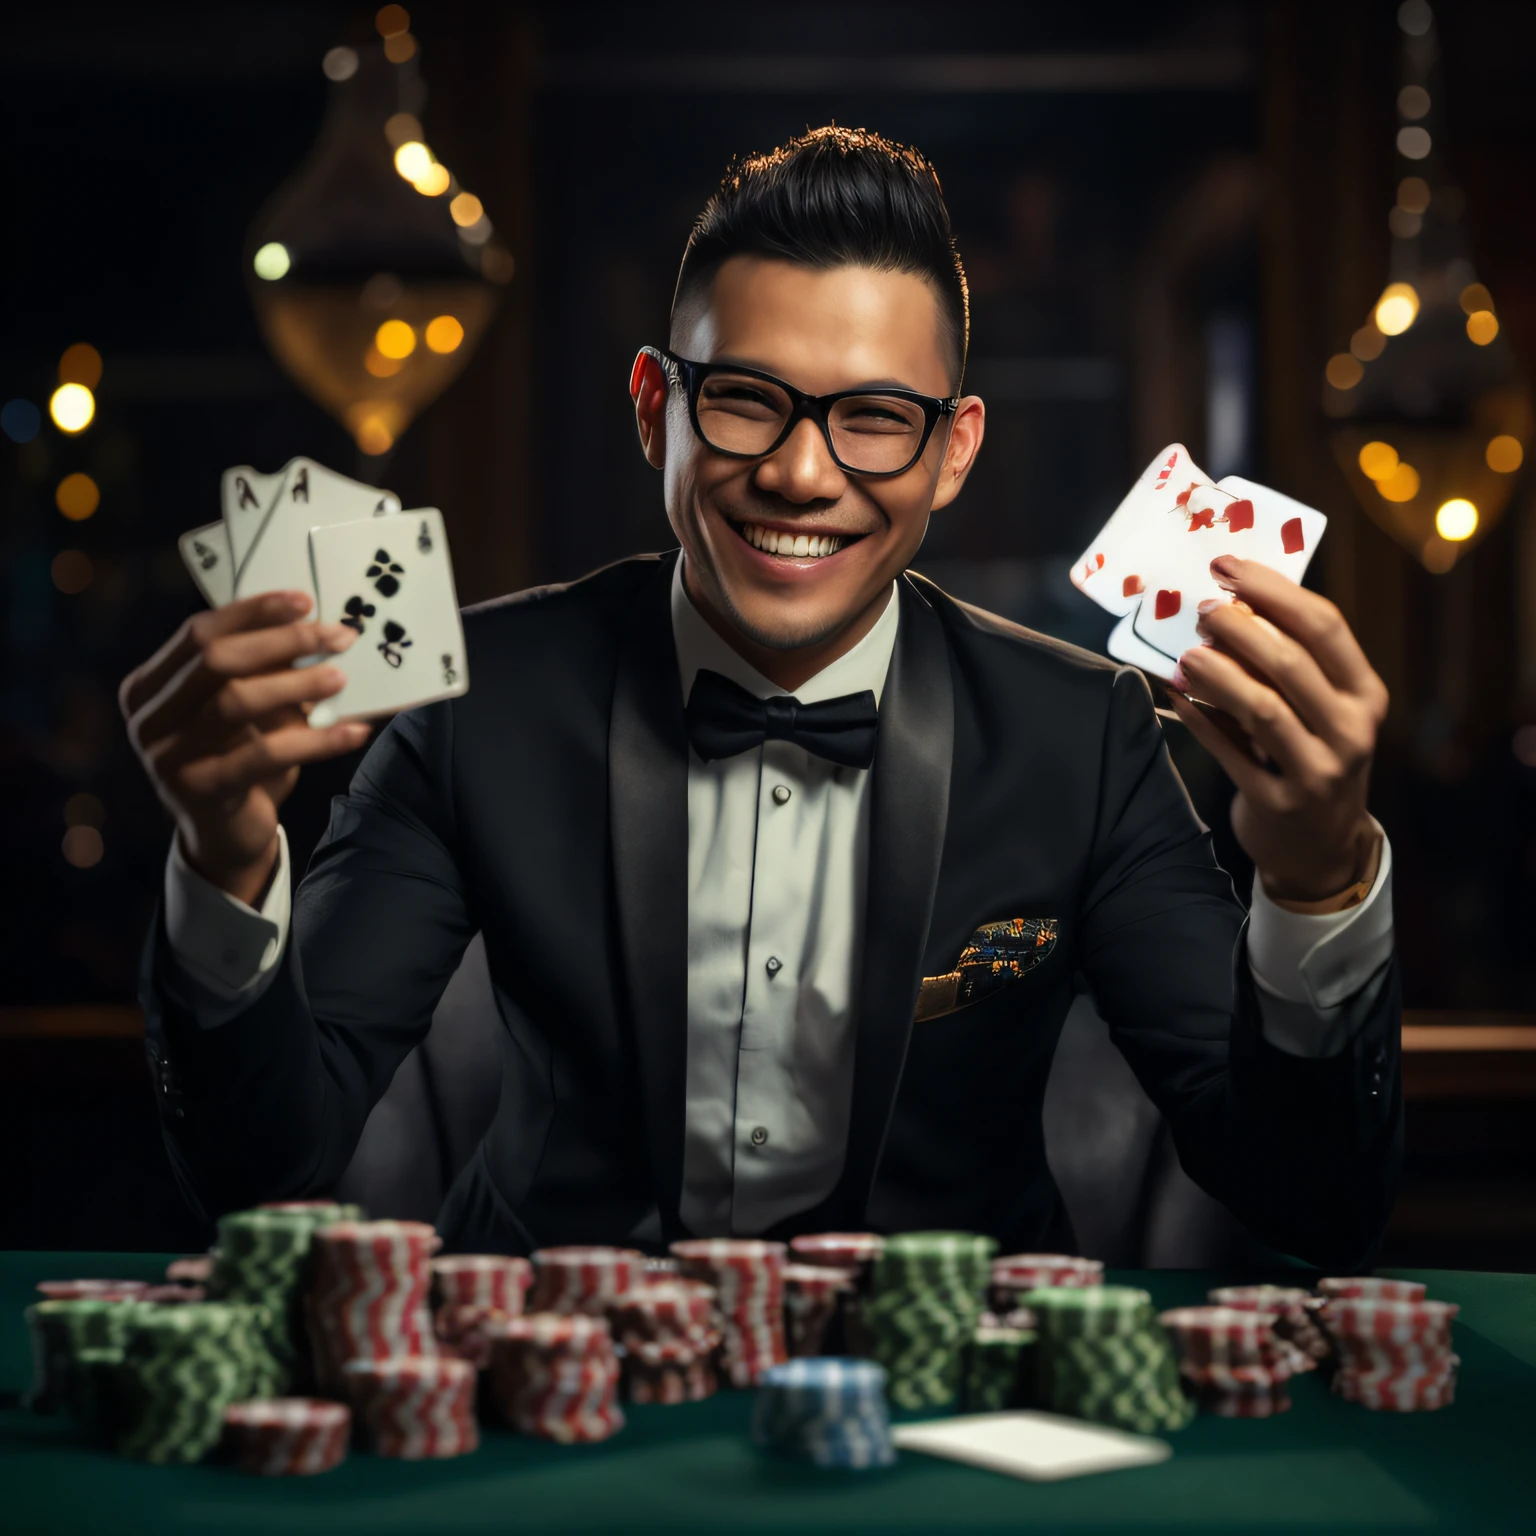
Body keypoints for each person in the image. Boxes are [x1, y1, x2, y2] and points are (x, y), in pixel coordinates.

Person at [121, 126, 1399, 1264]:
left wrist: (1318, 879)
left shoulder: (1087, 738)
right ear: (652, 411)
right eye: (742, 401)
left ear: (952, 452)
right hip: (551, 1400)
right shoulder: (477, 707)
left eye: (878, 417)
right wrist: (225, 857)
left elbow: (1303, 1202)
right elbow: (263, 1172)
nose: (800, 472)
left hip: (945, 1421)